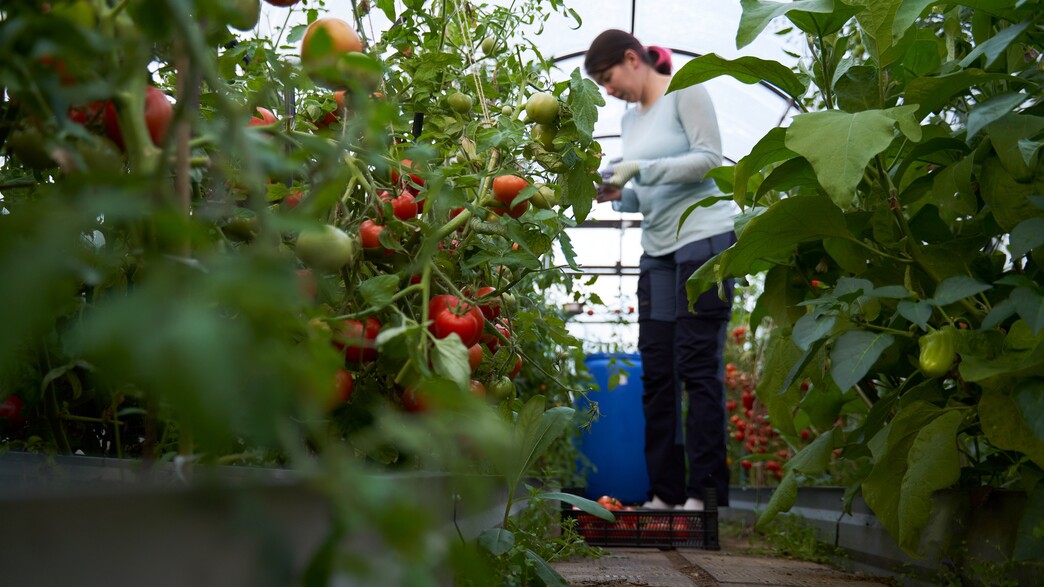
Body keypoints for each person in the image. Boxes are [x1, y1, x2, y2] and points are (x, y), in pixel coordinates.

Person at [586, 29, 736, 511]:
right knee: (657, 373)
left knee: (697, 366)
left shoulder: (686, 89)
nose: (608, 92)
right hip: (659, 248)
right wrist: (616, 194)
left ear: (633, 59)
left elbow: (709, 159)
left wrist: (640, 169)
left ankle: (704, 494)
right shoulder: (630, 123)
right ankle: (665, 495)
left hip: (704, 238)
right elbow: (641, 194)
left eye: (608, 80)